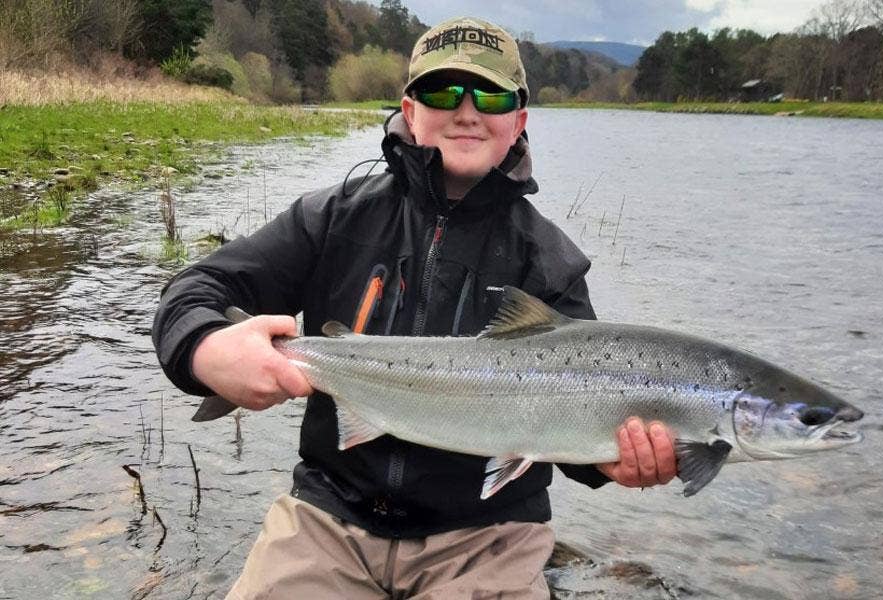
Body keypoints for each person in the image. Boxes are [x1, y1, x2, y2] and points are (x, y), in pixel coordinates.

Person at [153, 16, 676, 599]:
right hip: (329, 517)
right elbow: (193, 291)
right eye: (443, 91)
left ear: (519, 120)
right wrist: (205, 349)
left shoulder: (550, 263)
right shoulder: (331, 219)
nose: (468, 111)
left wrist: (614, 460)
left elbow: (573, 429)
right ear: (409, 110)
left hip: (489, 534)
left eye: (493, 95)